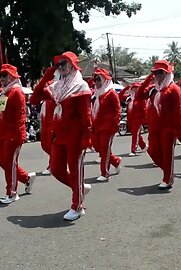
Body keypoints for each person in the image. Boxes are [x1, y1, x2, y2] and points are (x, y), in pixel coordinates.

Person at [33, 51, 92, 221]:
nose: (62, 67)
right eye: (59, 64)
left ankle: (77, 206)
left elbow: (86, 115)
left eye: (65, 63)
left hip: (75, 136)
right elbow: (36, 98)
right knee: (56, 169)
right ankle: (79, 189)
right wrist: (46, 76)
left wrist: (87, 136)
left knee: (75, 171)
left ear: (73, 65)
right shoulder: (57, 86)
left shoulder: (81, 86)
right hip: (59, 135)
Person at [0, 64, 36, 204]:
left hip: (13, 134)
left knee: (10, 163)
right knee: (4, 162)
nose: (1, 78)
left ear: (12, 76)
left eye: (4, 75)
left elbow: (21, 115)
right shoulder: (3, 92)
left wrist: (19, 134)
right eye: (0, 75)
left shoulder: (16, 92)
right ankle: (26, 178)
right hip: (2, 134)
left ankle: (12, 192)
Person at [137, 60, 181, 190]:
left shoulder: (174, 89)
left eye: (160, 72)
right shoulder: (153, 89)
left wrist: (176, 130)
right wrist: (148, 79)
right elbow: (139, 95)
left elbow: (178, 111)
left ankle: (167, 178)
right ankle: (169, 172)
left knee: (167, 153)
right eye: (155, 73)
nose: (157, 75)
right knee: (152, 151)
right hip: (154, 126)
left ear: (167, 73)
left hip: (168, 127)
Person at [91, 68, 122, 181]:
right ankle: (115, 160)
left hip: (108, 127)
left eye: (99, 79)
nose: (96, 82)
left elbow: (117, 110)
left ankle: (105, 173)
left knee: (104, 149)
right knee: (97, 147)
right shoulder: (96, 94)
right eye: (95, 79)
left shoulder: (111, 93)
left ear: (104, 80)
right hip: (97, 126)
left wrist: (114, 126)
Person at [30, 73, 56, 176]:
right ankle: (57, 161)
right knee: (44, 146)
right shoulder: (44, 102)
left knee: (51, 146)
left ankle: (52, 166)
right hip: (45, 126)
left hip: (52, 126)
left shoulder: (52, 99)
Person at [119, 82, 148, 156]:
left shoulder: (141, 98)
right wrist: (126, 88)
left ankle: (133, 150)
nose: (135, 89)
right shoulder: (129, 98)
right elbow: (120, 96)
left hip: (138, 119)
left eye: (137, 88)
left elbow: (144, 109)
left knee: (135, 134)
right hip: (130, 119)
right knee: (135, 133)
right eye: (134, 88)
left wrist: (144, 119)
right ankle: (144, 146)